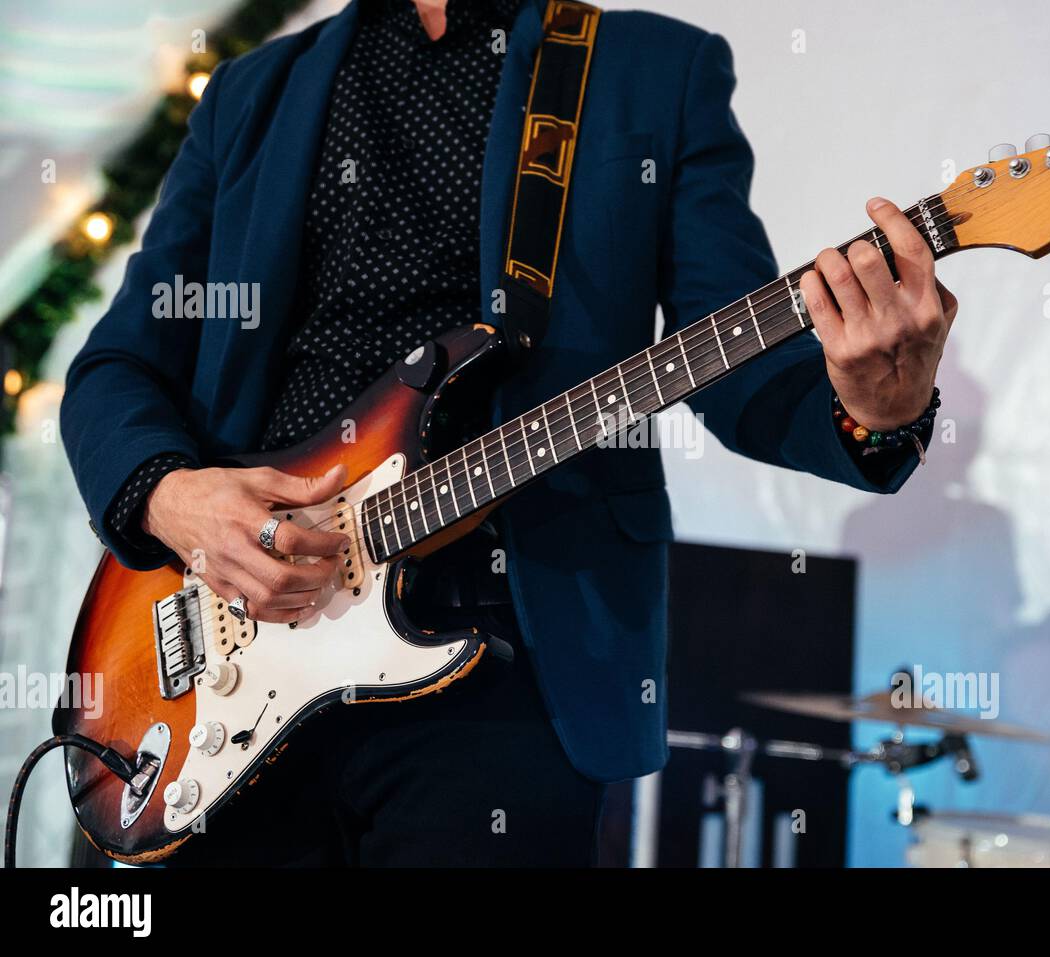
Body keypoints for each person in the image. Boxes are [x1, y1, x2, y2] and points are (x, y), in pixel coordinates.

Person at [60, 0, 956, 866]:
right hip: (235, 653)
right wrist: (176, 498)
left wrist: (878, 410)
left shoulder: (651, 73)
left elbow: (742, 372)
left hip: (511, 663)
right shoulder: (250, 92)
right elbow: (115, 369)